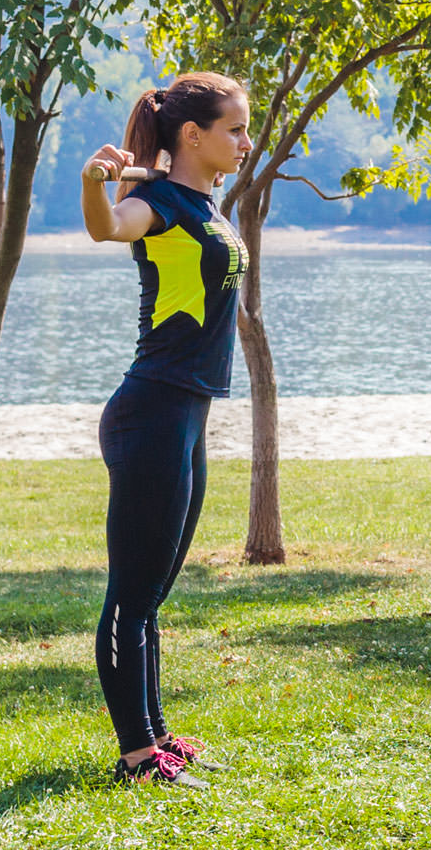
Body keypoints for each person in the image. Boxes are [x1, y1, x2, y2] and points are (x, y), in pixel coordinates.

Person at [80, 71, 253, 789]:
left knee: (151, 595)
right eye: (235, 129)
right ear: (193, 135)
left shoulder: (201, 204)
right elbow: (105, 226)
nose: (247, 142)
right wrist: (98, 182)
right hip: (151, 411)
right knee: (131, 593)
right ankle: (136, 757)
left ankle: (154, 739)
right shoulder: (154, 204)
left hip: (188, 413)